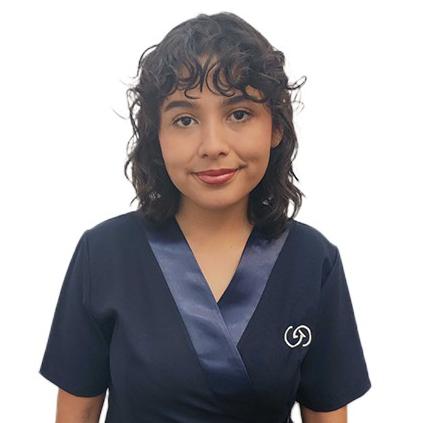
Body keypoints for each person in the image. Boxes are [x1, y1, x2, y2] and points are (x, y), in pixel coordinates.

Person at [39, 11, 371, 423]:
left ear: (276, 128)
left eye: (239, 114)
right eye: (185, 119)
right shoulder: (104, 253)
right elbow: (78, 413)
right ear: (156, 136)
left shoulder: (313, 260)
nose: (212, 145)